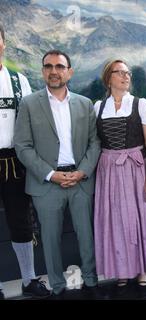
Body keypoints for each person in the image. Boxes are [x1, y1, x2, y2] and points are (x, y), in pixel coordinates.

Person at [14, 50, 101, 298]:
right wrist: (51, 174)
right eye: (49, 66)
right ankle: (58, 288)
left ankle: (92, 283)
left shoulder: (85, 104)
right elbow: (22, 145)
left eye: (60, 67)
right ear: (43, 71)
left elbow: (95, 143)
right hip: (47, 184)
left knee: (86, 236)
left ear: (69, 72)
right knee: (50, 241)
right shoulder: (29, 104)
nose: (54, 71)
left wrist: (82, 171)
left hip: (80, 180)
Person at [94, 59, 146, 296]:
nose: (125, 76)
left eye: (127, 72)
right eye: (119, 72)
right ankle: (122, 269)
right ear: (108, 78)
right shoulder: (98, 107)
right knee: (116, 220)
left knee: (138, 219)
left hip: (135, 169)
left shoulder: (141, 105)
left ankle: (141, 269)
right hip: (109, 171)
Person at [0, 23, 50, 299]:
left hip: (15, 161)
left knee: (22, 222)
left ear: (3, 43)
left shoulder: (20, 81)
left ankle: (29, 279)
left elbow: (32, 123)